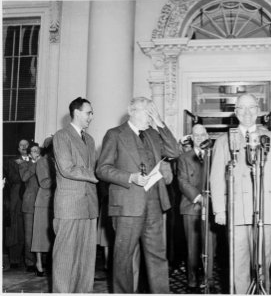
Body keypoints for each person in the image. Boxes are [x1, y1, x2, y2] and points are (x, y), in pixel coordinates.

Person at [96, 97, 179, 293]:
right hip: (127, 205)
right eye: (147, 111)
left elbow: (174, 152)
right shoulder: (115, 134)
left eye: (152, 112)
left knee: (158, 256)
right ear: (131, 111)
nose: (150, 116)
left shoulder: (152, 134)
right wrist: (130, 177)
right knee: (124, 257)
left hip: (154, 203)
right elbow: (102, 169)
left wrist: (159, 123)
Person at [210, 94, 271, 293]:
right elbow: (216, 177)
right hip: (236, 209)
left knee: (263, 261)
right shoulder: (224, 141)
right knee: (238, 263)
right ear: (236, 112)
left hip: (265, 207)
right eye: (242, 108)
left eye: (252, 107)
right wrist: (219, 210)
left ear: (258, 111)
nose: (247, 112)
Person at [52, 97, 99, 293]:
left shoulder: (90, 139)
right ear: (77, 112)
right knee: (65, 260)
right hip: (70, 206)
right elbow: (67, 168)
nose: (91, 116)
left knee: (86, 261)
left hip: (89, 206)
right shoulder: (62, 136)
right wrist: (96, 175)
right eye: (89, 112)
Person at [177, 124, 216, 293]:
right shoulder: (184, 158)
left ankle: (209, 280)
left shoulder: (213, 155)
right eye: (196, 135)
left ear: (207, 135)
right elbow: (182, 182)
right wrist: (200, 198)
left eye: (202, 134)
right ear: (191, 137)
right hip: (191, 206)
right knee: (192, 248)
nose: (199, 138)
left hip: (211, 208)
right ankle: (192, 281)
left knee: (210, 246)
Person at [31, 137, 56, 276]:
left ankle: (49, 264)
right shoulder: (41, 162)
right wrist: (60, 180)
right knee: (40, 236)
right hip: (43, 203)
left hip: (54, 202)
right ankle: (39, 264)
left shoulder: (55, 161)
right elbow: (44, 183)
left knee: (51, 236)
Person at [4, 139, 29, 269]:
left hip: (31, 198)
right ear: (18, 148)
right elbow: (14, 178)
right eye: (21, 145)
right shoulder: (11, 162)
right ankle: (14, 259)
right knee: (15, 228)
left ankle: (30, 261)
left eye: (26, 145)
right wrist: (26, 167)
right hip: (16, 199)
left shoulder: (35, 160)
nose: (24, 146)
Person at [19, 142, 41, 273]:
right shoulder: (24, 164)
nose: (36, 153)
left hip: (42, 202)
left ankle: (41, 261)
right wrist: (35, 164)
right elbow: (24, 177)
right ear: (29, 153)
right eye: (33, 151)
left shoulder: (43, 163)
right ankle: (30, 262)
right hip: (29, 204)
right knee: (29, 235)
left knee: (40, 233)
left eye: (37, 150)